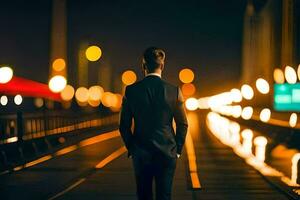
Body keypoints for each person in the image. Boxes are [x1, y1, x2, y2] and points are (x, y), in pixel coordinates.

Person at [119, 47, 188, 200]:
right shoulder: (174, 91)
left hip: (141, 152)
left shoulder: (131, 90)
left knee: (143, 195)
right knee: (164, 195)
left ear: (143, 66)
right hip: (167, 152)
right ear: (162, 66)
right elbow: (183, 124)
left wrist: (132, 148)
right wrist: (177, 150)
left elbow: (124, 125)